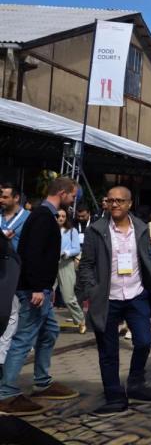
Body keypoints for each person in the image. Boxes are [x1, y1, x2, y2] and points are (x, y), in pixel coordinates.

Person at [75, 186, 151, 415]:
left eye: (119, 201)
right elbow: (86, 264)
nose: (114, 204)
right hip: (108, 298)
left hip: (136, 295)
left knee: (145, 341)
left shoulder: (140, 227)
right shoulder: (96, 230)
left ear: (129, 204)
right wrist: (92, 290)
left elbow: (147, 258)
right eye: (110, 200)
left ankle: (136, 383)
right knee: (108, 351)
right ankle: (114, 396)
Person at [0, 177, 79, 416]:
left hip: (40, 288)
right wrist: (37, 287)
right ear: (63, 193)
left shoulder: (42, 215)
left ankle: (42, 381)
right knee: (24, 338)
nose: (74, 200)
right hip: (35, 290)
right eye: (73, 196)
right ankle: (7, 394)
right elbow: (33, 253)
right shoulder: (43, 217)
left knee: (49, 332)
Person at [0, 183, 29, 376]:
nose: (1, 200)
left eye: (5, 197)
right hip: (1, 271)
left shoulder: (28, 219)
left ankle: (2, 360)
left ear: (16, 198)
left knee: (11, 314)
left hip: (17, 273)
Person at [54, 209, 85, 334]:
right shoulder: (48, 230)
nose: (61, 218)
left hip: (65, 264)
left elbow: (76, 249)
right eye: (58, 216)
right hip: (49, 265)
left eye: (63, 216)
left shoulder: (72, 231)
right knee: (44, 295)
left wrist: (66, 253)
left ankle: (80, 320)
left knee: (68, 297)